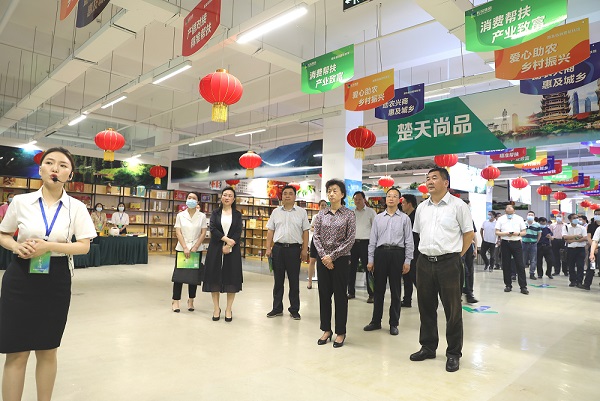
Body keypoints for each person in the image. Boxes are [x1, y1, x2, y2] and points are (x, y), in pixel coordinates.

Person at [0, 147, 96, 401]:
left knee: (47, 349)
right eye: (50, 163)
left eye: (63, 165)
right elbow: (3, 234)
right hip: (20, 277)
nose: (55, 168)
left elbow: (84, 246)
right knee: (16, 351)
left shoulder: (76, 207)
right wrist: (16, 246)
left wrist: (49, 246)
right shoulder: (21, 202)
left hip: (56, 279)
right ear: (40, 169)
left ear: (70, 174)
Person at [410, 167, 474, 373]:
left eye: (434, 178)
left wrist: (457, 256)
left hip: (449, 262)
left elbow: (469, 233)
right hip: (424, 262)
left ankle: (453, 353)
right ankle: (428, 347)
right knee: (426, 307)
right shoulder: (422, 208)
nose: (429, 181)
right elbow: (418, 233)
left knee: (452, 310)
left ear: (446, 183)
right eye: (427, 178)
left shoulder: (458, 205)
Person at [363, 187, 413, 336]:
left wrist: (408, 260)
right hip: (381, 253)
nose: (391, 198)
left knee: (396, 290)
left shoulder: (404, 219)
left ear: (399, 200)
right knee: (378, 290)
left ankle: (394, 323)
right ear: (385, 199)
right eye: (389, 196)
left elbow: (409, 241)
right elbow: (373, 240)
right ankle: (376, 321)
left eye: (394, 196)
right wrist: (370, 259)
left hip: (397, 254)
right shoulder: (378, 218)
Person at [313, 179, 355, 348]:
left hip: (341, 259)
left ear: (342, 194)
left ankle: (340, 332)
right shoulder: (321, 214)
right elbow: (316, 237)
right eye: (329, 191)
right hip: (323, 260)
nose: (331, 194)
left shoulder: (349, 215)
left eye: (335, 191)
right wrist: (324, 256)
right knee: (324, 295)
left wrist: (332, 256)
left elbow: (350, 239)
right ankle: (326, 330)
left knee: (340, 296)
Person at [265, 185, 310, 320]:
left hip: (294, 250)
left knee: (294, 281)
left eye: (290, 193)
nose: (288, 196)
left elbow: (305, 232)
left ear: (295, 196)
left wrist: (304, 249)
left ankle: (294, 309)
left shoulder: (301, 212)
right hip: (278, 249)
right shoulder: (276, 212)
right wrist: (268, 248)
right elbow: (270, 231)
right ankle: (277, 308)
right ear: (282, 196)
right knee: (278, 281)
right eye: (285, 193)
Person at [202, 187, 243, 322]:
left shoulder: (237, 214)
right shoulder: (215, 213)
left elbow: (238, 231)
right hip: (216, 248)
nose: (227, 197)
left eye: (230, 195)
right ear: (221, 197)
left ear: (234, 199)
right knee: (214, 277)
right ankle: (216, 308)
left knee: (231, 278)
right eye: (225, 195)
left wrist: (230, 245)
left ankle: (228, 309)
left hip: (233, 249)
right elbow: (213, 228)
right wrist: (226, 240)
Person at [171, 192, 207, 313]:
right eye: (189, 198)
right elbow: (178, 232)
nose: (191, 199)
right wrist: (185, 247)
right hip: (182, 248)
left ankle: (191, 300)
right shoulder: (180, 215)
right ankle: (175, 301)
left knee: (193, 277)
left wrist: (196, 246)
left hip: (196, 249)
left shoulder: (202, 216)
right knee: (179, 276)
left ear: (198, 202)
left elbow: (203, 233)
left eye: (194, 198)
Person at [348, 191, 377, 302]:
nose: (357, 201)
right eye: (355, 199)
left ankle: (372, 294)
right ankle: (351, 292)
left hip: (366, 244)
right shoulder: (351, 212)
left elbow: (375, 229)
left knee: (368, 269)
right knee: (351, 269)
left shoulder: (371, 212)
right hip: (353, 244)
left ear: (364, 199)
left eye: (359, 199)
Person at [495, 205, 528, 294]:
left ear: (514, 210)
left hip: (516, 242)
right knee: (506, 264)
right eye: (507, 209)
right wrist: (505, 233)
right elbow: (497, 232)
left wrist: (517, 234)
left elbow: (524, 232)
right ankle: (508, 285)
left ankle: (523, 286)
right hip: (505, 242)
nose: (509, 210)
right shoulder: (501, 219)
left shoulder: (519, 218)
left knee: (520, 264)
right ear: (505, 211)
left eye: (511, 209)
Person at [400, 194, 419, 307]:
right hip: (406, 250)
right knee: (406, 276)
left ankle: (425, 300)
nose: (402, 205)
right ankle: (407, 300)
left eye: (403, 203)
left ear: (409, 204)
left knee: (414, 276)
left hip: (415, 251)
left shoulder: (415, 217)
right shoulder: (406, 217)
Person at [307, 200, 328, 289]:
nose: (324, 207)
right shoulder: (316, 216)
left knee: (323, 261)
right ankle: (310, 281)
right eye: (322, 205)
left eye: (325, 205)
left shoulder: (329, 216)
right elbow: (311, 228)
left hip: (325, 242)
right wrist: (317, 229)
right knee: (312, 260)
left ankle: (323, 282)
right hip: (315, 240)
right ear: (319, 206)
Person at [461, 199, 478, 304]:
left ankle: (469, 293)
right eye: (468, 206)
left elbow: (474, 234)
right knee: (464, 271)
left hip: (469, 248)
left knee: (470, 271)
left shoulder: (470, 219)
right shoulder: (456, 218)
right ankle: (463, 293)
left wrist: (475, 248)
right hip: (460, 247)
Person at [563, 213, 587, 288]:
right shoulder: (566, 227)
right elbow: (565, 237)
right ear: (570, 219)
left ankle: (579, 281)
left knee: (580, 266)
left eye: (577, 218)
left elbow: (585, 238)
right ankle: (572, 281)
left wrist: (572, 240)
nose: (576, 219)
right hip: (570, 249)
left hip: (580, 249)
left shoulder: (582, 228)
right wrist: (577, 236)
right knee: (571, 265)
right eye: (574, 218)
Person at [523, 211, 541, 280]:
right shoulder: (523, 224)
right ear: (527, 216)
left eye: (532, 215)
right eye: (529, 215)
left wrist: (536, 241)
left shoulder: (537, 225)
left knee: (533, 260)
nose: (530, 216)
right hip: (524, 243)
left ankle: (532, 273)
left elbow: (539, 234)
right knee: (523, 259)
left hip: (533, 244)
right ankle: (521, 273)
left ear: (534, 216)